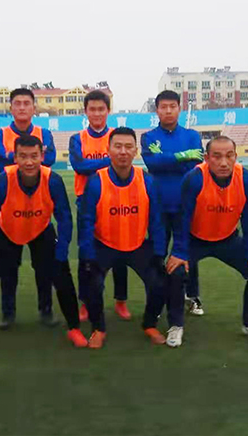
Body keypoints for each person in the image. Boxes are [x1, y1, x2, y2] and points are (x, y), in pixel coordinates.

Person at [0, 135, 87, 354]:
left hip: (40, 229)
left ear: (42, 156)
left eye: (34, 156)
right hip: (7, 230)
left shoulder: (53, 180)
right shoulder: (3, 181)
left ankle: (74, 328)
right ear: (15, 158)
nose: (29, 162)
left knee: (62, 276)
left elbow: (64, 217)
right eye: (23, 156)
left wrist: (61, 251)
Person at [78, 127, 185, 349]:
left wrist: (158, 253)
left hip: (136, 245)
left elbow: (156, 220)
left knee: (159, 282)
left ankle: (149, 324)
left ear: (135, 151)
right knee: (92, 283)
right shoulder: (96, 181)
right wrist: (88, 256)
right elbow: (86, 222)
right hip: (104, 244)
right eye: (117, 146)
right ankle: (99, 328)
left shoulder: (147, 180)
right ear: (108, 150)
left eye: (128, 147)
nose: (123, 151)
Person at [166, 136, 248, 343]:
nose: (223, 162)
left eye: (229, 156)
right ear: (207, 158)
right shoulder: (194, 179)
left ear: (236, 156)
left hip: (227, 239)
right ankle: (176, 325)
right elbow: (183, 218)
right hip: (195, 240)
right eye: (216, 157)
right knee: (175, 271)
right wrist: (179, 251)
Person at [0, 88, 57, 327]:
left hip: (39, 210)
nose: (21, 107)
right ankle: (8, 314)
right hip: (9, 211)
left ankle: (46, 310)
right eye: (17, 103)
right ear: (10, 108)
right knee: (8, 269)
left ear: (34, 108)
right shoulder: (0, 134)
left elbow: (50, 159)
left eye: (26, 103)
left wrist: (14, 156)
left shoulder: (44, 133)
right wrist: (31, 157)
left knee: (44, 268)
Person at [140, 90, 205, 316]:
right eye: (163, 107)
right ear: (157, 110)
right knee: (157, 253)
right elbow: (153, 164)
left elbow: (195, 164)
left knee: (187, 252)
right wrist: (182, 155)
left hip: (185, 205)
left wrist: (167, 157)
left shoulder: (192, 135)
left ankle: (192, 296)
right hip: (158, 205)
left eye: (172, 106)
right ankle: (157, 301)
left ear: (179, 108)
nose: (168, 111)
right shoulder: (149, 137)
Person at [69, 90, 130, 322]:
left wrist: (98, 163)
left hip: (117, 198)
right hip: (86, 201)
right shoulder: (78, 138)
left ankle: (120, 300)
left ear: (108, 111)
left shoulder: (117, 136)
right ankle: (86, 302)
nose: (96, 113)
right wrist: (110, 160)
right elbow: (79, 166)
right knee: (87, 252)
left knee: (122, 252)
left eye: (101, 109)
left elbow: (124, 163)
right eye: (92, 109)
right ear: (85, 112)